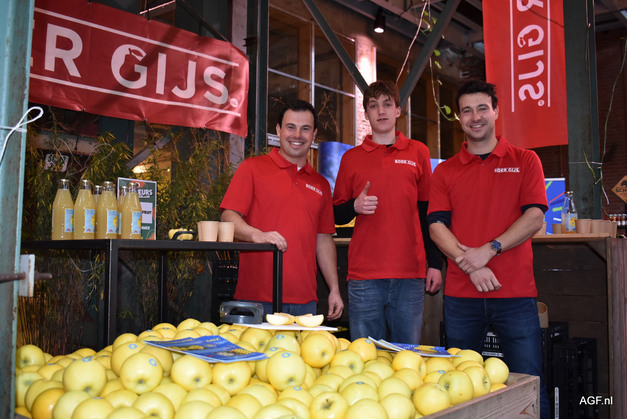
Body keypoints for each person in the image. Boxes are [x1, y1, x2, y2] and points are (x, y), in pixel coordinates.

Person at [427, 80, 550, 417]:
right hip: (461, 296)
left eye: (482, 108)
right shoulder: (445, 171)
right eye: (467, 111)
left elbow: (534, 217)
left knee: (528, 382)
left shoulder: (526, 160)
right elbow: (436, 226)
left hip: (515, 293)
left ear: (495, 111)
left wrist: (490, 249)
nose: (475, 117)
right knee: (458, 388)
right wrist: (471, 263)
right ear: (459, 118)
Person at [333, 80, 442, 344]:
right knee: (365, 357)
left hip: (410, 273)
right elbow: (335, 215)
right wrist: (354, 206)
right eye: (373, 105)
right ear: (366, 114)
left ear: (398, 110)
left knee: (407, 356)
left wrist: (435, 264)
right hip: (364, 276)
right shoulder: (351, 158)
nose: (381, 111)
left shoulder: (418, 152)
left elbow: (428, 213)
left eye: (387, 104)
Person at [220, 99, 344, 320]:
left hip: (305, 303)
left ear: (314, 134)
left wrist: (334, 289)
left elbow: (323, 240)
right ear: (278, 130)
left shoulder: (321, 185)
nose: (297, 135)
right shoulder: (252, 168)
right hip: (255, 300)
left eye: (305, 129)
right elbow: (228, 217)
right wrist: (257, 235)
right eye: (290, 127)